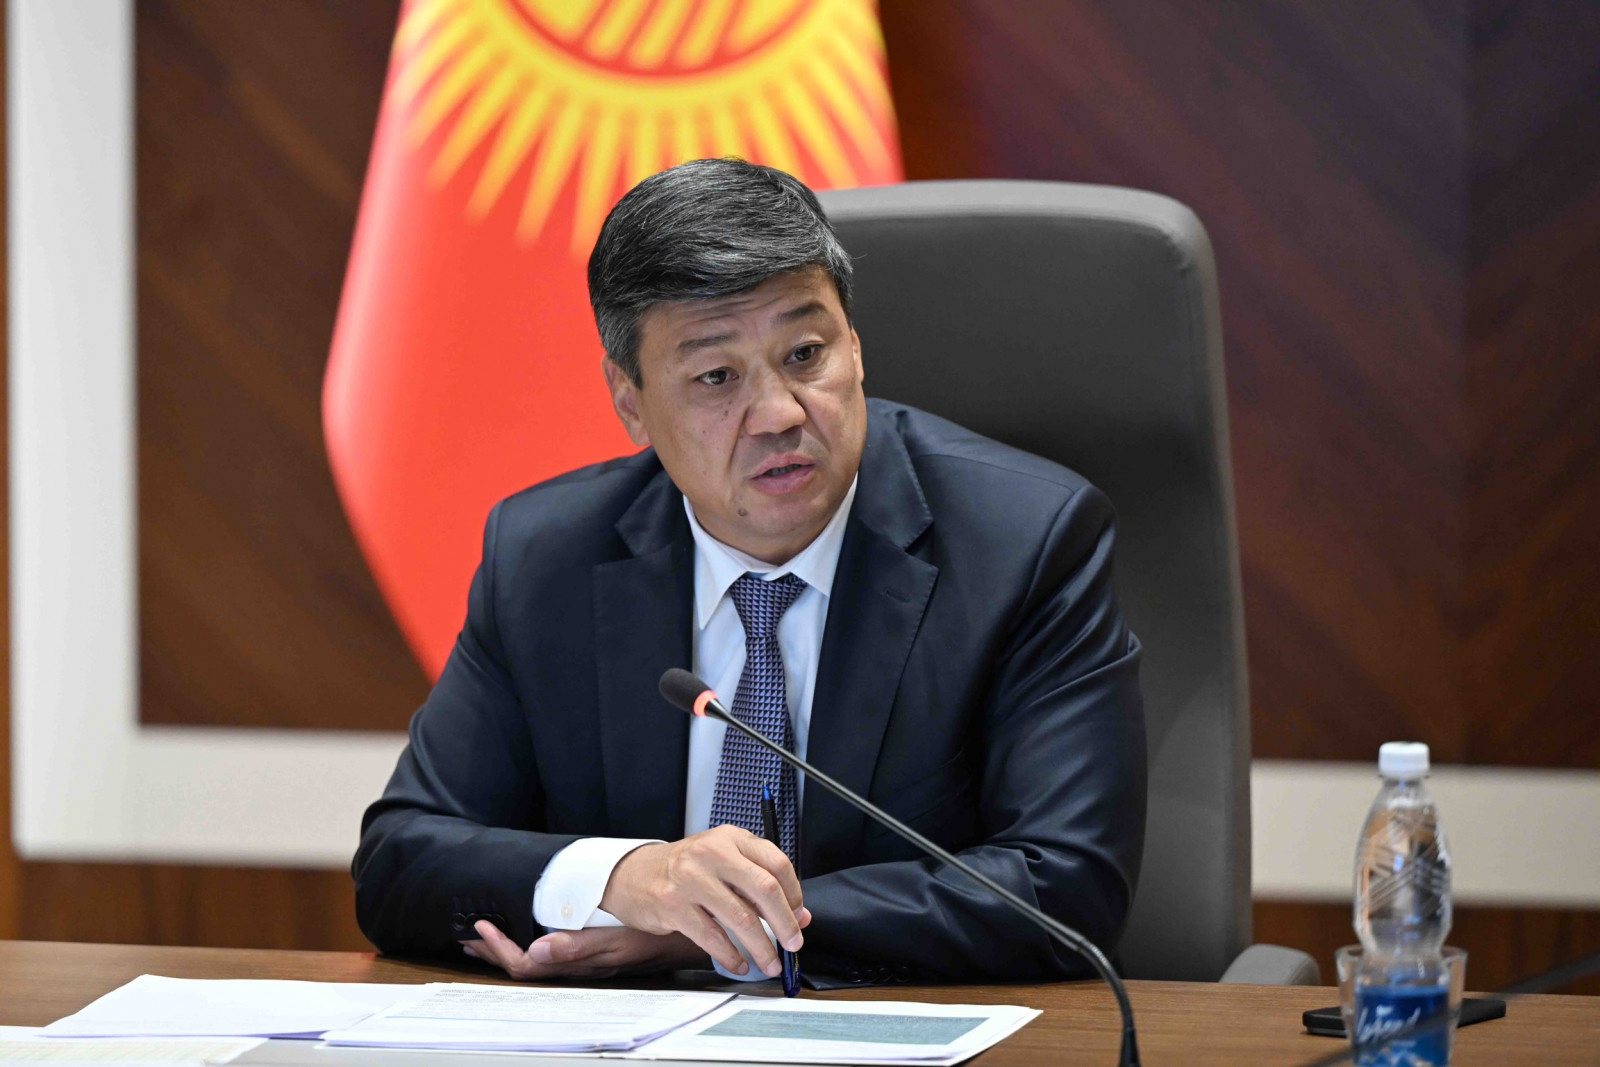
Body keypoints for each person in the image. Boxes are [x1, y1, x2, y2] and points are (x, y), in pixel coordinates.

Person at [352, 159, 1146, 988]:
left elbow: (1066, 884)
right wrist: (625, 878)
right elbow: (401, 859)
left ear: (856, 347)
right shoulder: (547, 556)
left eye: (805, 354)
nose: (779, 413)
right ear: (629, 400)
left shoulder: (1023, 543)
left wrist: (713, 931)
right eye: (716, 377)